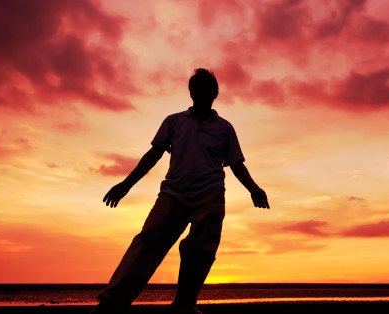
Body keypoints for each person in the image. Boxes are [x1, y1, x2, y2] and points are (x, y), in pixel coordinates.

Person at [90, 68, 270, 314]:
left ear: (215, 93)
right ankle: (112, 303)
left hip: (210, 195)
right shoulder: (174, 121)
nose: (203, 93)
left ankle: (184, 304)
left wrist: (254, 188)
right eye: (198, 88)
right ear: (191, 92)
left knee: (202, 248)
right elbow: (153, 155)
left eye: (208, 89)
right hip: (173, 194)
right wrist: (126, 185)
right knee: (148, 242)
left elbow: (236, 164)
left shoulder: (224, 128)